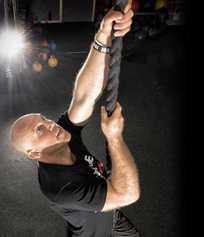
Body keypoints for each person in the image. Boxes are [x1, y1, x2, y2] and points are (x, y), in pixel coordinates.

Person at [9, 2, 141, 237]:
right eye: (40, 130)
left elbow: (83, 97)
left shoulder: (60, 135)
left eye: (44, 119)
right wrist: (114, 137)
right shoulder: (60, 188)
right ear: (34, 154)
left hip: (111, 214)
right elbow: (127, 194)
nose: (50, 124)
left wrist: (102, 36)